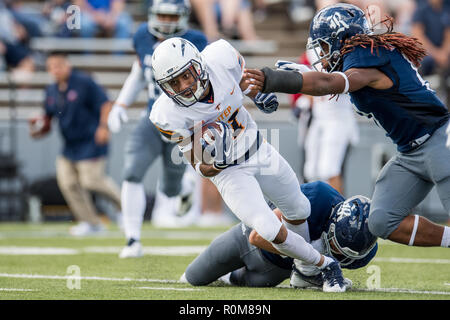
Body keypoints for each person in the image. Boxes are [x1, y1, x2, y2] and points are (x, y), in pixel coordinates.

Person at [150, 37, 349, 293]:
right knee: (267, 227)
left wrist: (258, 94)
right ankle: (325, 264)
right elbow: (197, 164)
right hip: (229, 173)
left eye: (186, 75)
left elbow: (245, 81)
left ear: (198, 65)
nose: (184, 86)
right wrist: (213, 160)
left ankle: (305, 272)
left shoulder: (220, 57)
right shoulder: (166, 114)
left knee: (299, 208)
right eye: (173, 83)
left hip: (257, 149)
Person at [243, 3, 450, 249]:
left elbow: (329, 83)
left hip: (439, 138)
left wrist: (274, 80)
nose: (322, 53)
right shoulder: (363, 56)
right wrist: (304, 74)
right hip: (409, 151)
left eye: (324, 45)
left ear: (342, 40)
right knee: (382, 221)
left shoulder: (367, 53)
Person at [106, 0, 208, 258]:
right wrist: (120, 104)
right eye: (161, 15)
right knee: (131, 172)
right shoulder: (142, 35)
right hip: (151, 119)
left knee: (170, 189)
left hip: (183, 124)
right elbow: (139, 72)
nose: (165, 22)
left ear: (184, 17)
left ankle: (184, 189)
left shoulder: (197, 40)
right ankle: (132, 240)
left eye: (172, 17)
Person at [181, 181, 377, 288]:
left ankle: (228, 276)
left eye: (342, 254)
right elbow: (257, 236)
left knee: (237, 282)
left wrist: (312, 269)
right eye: (335, 246)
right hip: (250, 238)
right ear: (333, 221)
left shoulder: (363, 250)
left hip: (277, 269)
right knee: (193, 277)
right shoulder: (318, 198)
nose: (337, 255)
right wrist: (311, 255)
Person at [29, 51, 122, 236]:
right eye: (51, 67)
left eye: (58, 65)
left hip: (91, 140)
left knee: (92, 181)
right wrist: (37, 128)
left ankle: (127, 210)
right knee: (68, 183)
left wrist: (104, 127)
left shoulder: (83, 82)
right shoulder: (51, 90)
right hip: (69, 145)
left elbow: (105, 103)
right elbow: (47, 117)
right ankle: (91, 222)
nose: (55, 70)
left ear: (67, 65)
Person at [289, 50, 359, 194]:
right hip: (319, 119)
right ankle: (318, 212)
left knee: (329, 169)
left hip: (338, 119)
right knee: (311, 171)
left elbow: (336, 83)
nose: (320, 52)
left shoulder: (348, 56)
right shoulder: (311, 51)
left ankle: (338, 213)